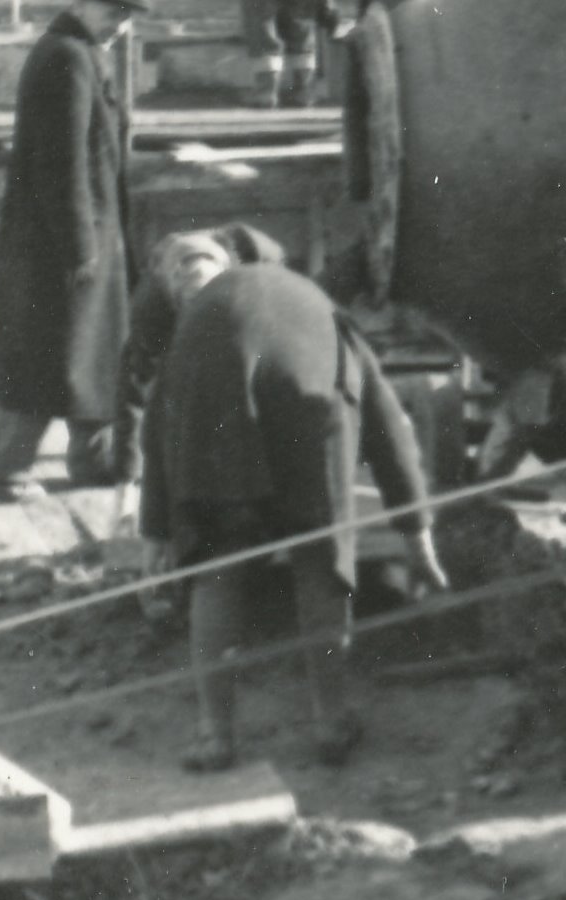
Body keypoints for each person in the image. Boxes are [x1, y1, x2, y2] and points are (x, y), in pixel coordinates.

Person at [140, 262, 448, 772]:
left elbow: (158, 427)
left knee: (217, 566)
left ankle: (215, 735)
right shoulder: (327, 314)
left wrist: (155, 533)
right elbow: (389, 430)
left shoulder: (198, 318)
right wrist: (418, 536)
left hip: (213, 404)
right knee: (319, 559)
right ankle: (331, 723)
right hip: (309, 405)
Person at [0, 0, 151, 497]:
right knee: (46, 361)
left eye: (125, 19)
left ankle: (98, 462)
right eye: (111, 13)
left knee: (95, 355)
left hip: (86, 234)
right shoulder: (66, 58)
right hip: (56, 244)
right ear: (81, 4)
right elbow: (61, 163)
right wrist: (80, 248)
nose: (118, 26)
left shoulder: (82, 52)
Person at [112, 223, 286, 501]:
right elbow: (134, 397)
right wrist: (127, 481)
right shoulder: (151, 309)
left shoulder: (254, 272)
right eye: (191, 307)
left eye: (204, 309)